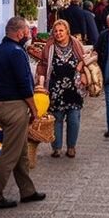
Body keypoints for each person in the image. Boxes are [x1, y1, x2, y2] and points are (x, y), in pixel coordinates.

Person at [0, 16, 45, 209]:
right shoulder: (17, 52)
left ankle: (27, 191)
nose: (28, 34)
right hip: (14, 107)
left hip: (2, 105)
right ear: (19, 33)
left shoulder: (1, 50)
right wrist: (35, 110)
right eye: (27, 31)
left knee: (21, 153)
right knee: (10, 154)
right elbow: (24, 86)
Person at [35, 20, 86, 158]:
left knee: (74, 119)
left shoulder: (75, 44)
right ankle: (56, 148)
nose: (58, 33)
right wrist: (40, 80)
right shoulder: (49, 46)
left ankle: (71, 147)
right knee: (56, 119)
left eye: (61, 30)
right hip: (55, 89)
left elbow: (84, 58)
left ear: (67, 31)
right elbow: (43, 64)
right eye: (56, 31)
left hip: (74, 88)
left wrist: (81, 70)